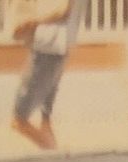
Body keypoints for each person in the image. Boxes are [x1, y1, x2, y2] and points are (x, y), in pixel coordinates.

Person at [11, 0, 83, 150]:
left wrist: (30, 22)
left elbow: (62, 11)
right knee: (45, 118)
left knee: (18, 120)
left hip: (47, 48)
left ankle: (54, 152)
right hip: (56, 47)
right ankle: (55, 160)